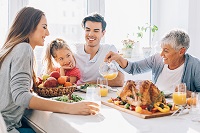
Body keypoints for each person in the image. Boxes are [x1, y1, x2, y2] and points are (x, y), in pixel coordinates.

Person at [0, 7, 99, 133]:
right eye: (44, 27)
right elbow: (20, 97)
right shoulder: (23, 49)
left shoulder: (11, 49)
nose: (48, 33)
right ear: (30, 27)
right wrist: (69, 107)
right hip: (6, 128)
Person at [104, 29, 200, 97]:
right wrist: (118, 58)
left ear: (181, 51)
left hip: (180, 113)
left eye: (166, 51)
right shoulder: (157, 59)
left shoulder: (195, 66)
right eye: (161, 49)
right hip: (157, 107)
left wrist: (190, 94)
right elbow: (134, 68)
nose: (161, 54)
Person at [73, 13, 124, 87]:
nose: (90, 34)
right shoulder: (73, 49)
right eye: (87, 30)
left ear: (103, 33)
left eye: (96, 31)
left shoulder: (109, 50)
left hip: (98, 94)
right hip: (75, 94)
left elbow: (119, 80)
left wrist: (89, 84)